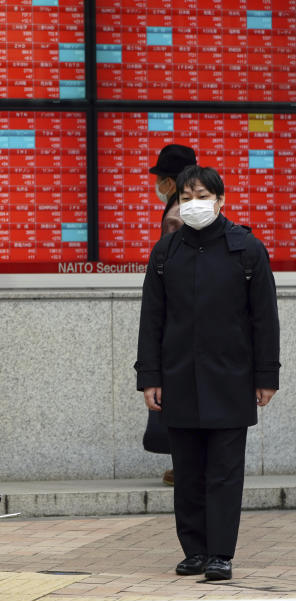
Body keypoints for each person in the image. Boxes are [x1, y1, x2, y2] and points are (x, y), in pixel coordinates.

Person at [135, 165, 279, 581]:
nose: (192, 204)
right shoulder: (167, 252)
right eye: (185, 196)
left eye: (201, 195)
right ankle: (194, 550)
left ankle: (220, 553)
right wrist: (150, 376)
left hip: (231, 378)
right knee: (188, 469)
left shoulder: (247, 249)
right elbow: (152, 319)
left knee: (224, 470)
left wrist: (266, 375)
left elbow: (264, 320)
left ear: (220, 200)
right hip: (179, 377)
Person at [145, 143, 197, 486]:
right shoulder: (191, 208)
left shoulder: (176, 215)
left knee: (177, 395)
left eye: (161, 178)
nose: (158, 185)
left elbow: (170, 271)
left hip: (179, 320)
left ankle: (186, 468)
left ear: (171, 181)